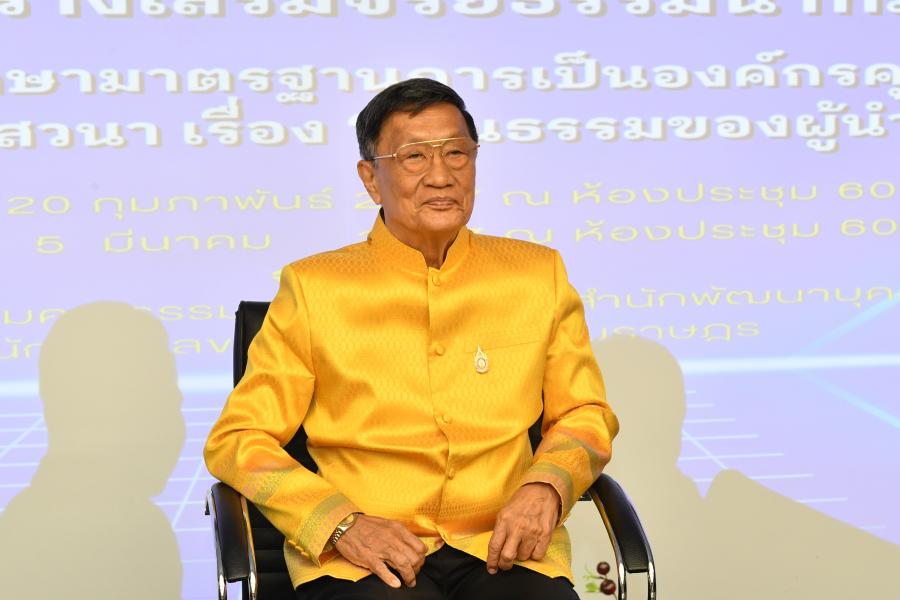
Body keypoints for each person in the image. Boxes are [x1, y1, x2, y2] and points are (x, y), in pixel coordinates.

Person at [204, 78, 619, 600]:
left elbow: (584, 413)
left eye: (456, 153)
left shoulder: (537, 275)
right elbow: (239, 439)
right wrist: (340, 524)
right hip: (365, 556)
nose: (441, 176)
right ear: (371, 179)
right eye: (414, 157)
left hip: (501, 546)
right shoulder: (314, 288)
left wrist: (547, 486)